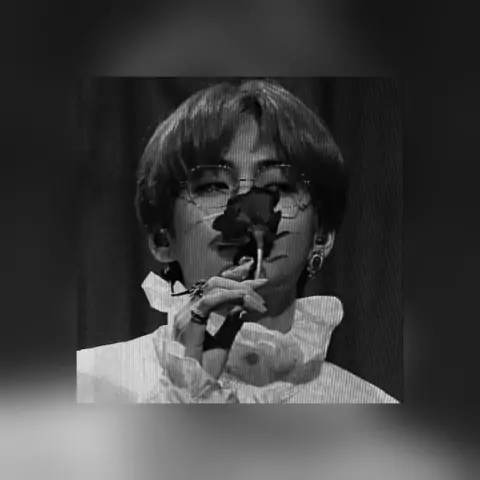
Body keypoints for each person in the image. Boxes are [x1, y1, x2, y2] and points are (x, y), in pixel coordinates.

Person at [77, 79, 398, 403]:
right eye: (213, 186)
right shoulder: (88, 383)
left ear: (322, 237)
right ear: (162, 237)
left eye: (278, 186)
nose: (246, 203)